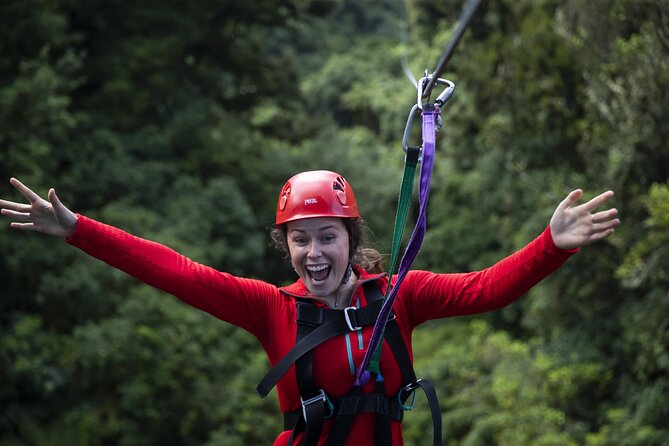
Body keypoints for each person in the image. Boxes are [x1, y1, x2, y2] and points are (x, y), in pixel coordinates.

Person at [1, 171, 620, 446]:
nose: (315, 252)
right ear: (286, 246)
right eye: (301, 239)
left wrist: (550, 246)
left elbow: (487, 288)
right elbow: (173, 271)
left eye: (328, 236)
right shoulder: (271, 308)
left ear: (352, 238)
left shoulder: (398, 296)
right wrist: (80, 229)